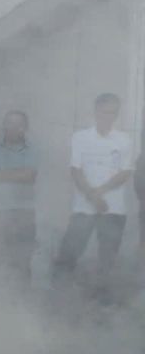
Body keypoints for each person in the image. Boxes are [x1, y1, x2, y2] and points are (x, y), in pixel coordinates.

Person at [54, 91, 135, 288]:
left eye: (113, 113)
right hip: (83, 207)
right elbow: (75, 169)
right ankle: (58, 295)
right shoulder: (80, 137)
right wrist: (91, 195)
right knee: (69, 252)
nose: (109, 117)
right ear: (96, 111)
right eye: (105, 112)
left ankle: (102, 303)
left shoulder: (125, 140)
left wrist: (99, 192)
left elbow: (125, 172)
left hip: (113, 209)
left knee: (107, 259)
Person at [0, 109, 39, 286]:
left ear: (25, 128)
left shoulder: (32, 149)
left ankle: (23, 306)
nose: (13, 127)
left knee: (22, 260)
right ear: (3, 125)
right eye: (9, 123)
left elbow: (30, 176)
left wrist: (0, 174)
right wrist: (18, 173)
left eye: (18, 124)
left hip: (23, 212)